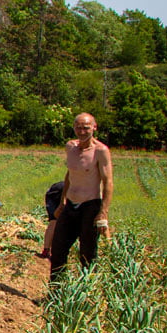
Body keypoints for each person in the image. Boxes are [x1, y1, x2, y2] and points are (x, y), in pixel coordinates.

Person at [50, 112, 113, 281]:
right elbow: (69, 175)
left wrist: (103, 212)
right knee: (58, 249)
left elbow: (108, 183)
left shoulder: (101, 151)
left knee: (87, 253)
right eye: (78, 127)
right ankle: (55, 293)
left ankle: (85, 291)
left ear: (94, 127)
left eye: (86, 127)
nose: (82, 131)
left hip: (90, 206)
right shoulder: (70, 147)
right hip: (70, 205)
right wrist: (62, 202)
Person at [37, 181, 65, 259]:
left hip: (61, 193)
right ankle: (46, 250)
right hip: (54, 195)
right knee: (54, 221)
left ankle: (55, 250)